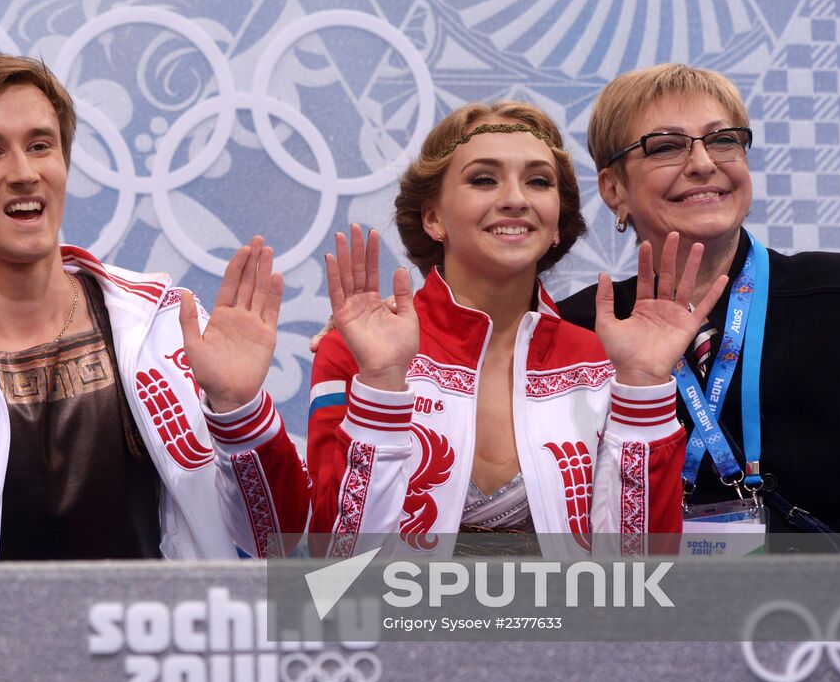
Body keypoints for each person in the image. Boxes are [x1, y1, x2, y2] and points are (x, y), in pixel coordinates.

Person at [0, 53, 309, 562]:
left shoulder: (167, 325)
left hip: (155, 636)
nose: (24, 173)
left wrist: (240, 411)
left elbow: (277, 542)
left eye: (41, 146)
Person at [308, 101, 726, 557]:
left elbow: (636, 574)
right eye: (483, 179)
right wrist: (383, 385)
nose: (515, 199)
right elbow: (338, 571)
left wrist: (644, 386)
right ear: (433, 218)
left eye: (539, 181)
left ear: (556, 226)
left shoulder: (605, 362)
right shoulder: (357, 350)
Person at [556, 63, 840, 533]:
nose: (704, 163)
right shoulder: (574, 328)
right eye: (666, 146)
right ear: (613, 189)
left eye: (723, 140)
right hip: (652, 600)